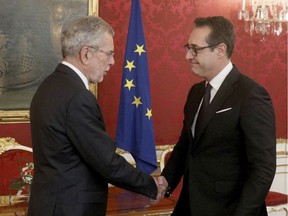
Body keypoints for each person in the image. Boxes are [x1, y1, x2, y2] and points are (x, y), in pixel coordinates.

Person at [28, 16, 167, 216]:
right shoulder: (77, 97)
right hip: (69, 209)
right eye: (109, 53)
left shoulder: (50, 86)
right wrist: (151, 185)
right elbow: (106, 162)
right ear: (86, 54)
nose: (112, 61)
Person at [161, 16, 276, 216]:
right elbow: (186, 145)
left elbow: (263, 167)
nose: (188, 55)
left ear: (220, 50)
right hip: (189, 205)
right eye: (188, 47)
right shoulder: (196, 92)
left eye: (195, 49)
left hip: (230, 209)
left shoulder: (251, 94)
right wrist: (164, 183)